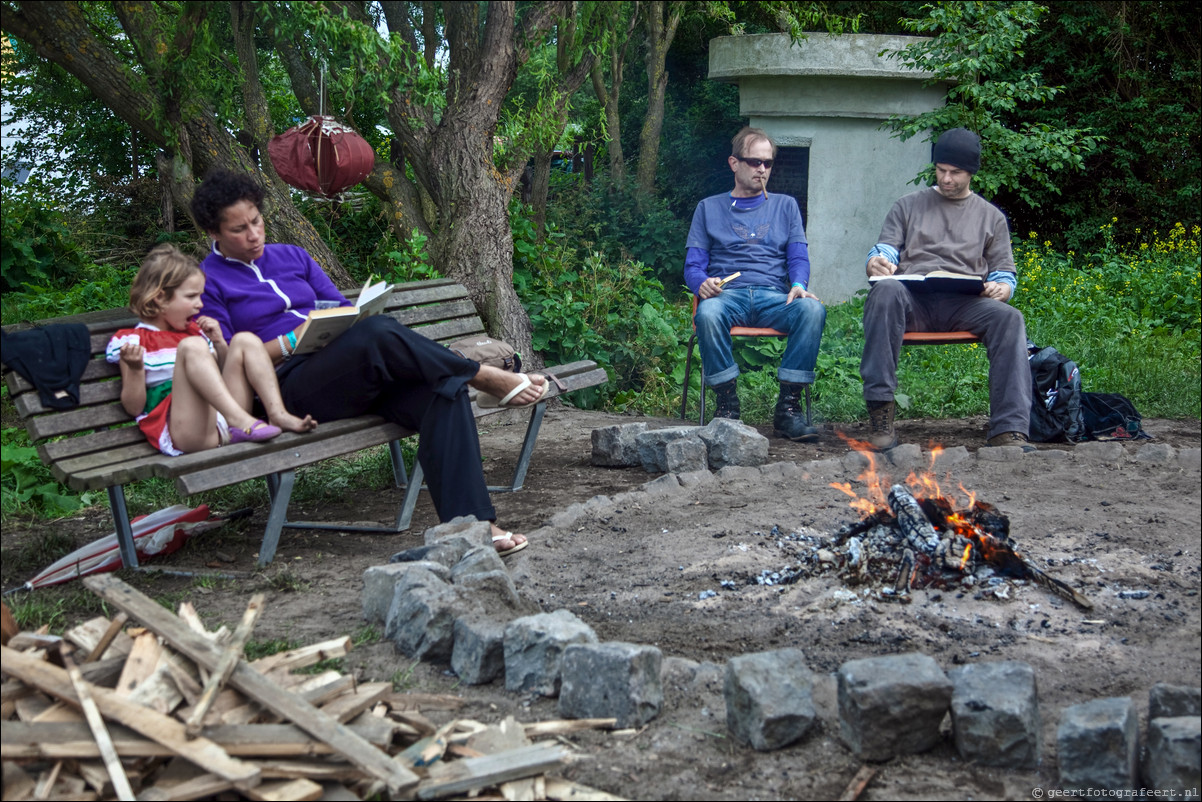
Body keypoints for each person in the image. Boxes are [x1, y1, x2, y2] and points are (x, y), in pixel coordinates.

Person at [191, 170, 546, 556]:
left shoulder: (292, 256)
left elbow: (343, 310)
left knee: (441, 392)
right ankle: (486, 376)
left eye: (257, 221)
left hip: (349, 372)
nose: (254, 234)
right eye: (239, 229)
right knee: (378, 332)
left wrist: (341, 321)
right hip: (285, 390)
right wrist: (290, 342)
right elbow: (227, 360)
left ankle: (474, 525)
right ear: (215, 233)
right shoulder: (207, 281)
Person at [861, 127, 1033, 452]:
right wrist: (877, 262)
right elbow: (884, 249)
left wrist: (1002, 288)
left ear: (971, 173)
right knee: (884, 292)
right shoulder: (908, 205)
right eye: (941, 170)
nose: (947, 179)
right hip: (913, 302)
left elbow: (1004, 273)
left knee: (1009, 318)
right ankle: (880, 415)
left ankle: (1008, 429)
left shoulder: (991, 217)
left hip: (964, 306)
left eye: (955, 172)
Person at [684, 127, 826, 441]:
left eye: (768, 163)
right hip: (727, 296)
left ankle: (788, 409)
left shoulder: (786, 206)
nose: (762, 169)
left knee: (812, 310)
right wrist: (701, 284)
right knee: (707, 314)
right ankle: (726, 406)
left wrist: (800, 282)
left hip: (773, 296)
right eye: (754, 162)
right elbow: (693, 266)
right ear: (734, 163)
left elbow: (798, 256)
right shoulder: (708, 208)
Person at [106, 244, 317, 456]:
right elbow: (134, 408)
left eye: (200, 296)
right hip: (188, 433)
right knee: (191, 347)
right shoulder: (134, 342)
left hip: (222, 421)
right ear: (160, 298)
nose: (199, 305)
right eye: (191, 297)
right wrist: (135, 369)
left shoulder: (193, 332)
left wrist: (219, 344)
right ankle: (238, 419)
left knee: (245, 340)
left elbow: (221, 375)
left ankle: (277, 413)